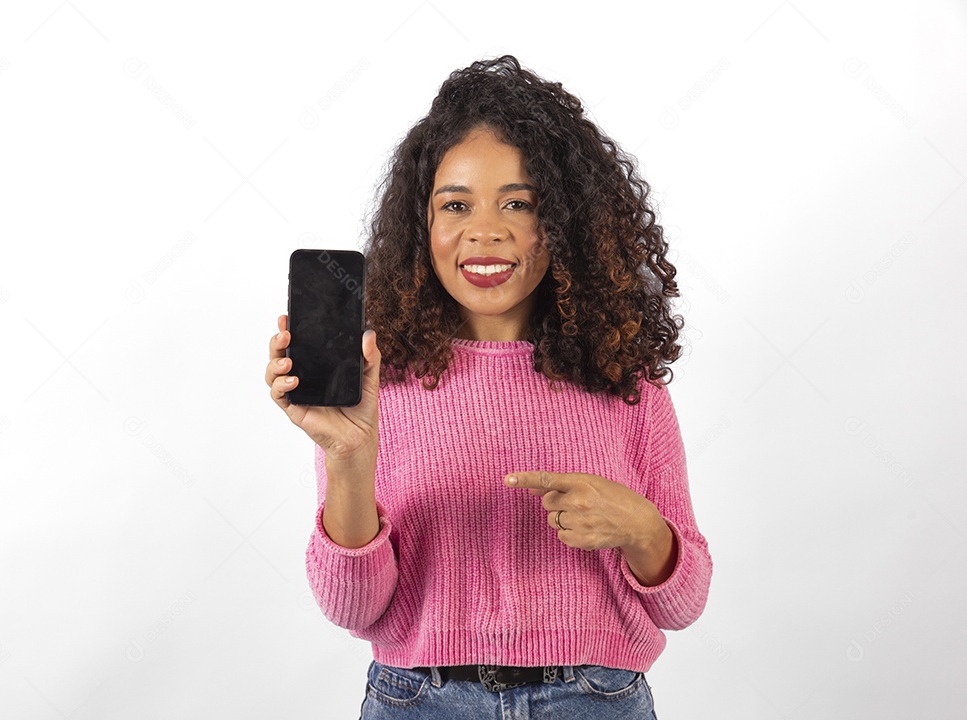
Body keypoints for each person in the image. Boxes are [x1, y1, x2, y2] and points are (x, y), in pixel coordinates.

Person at [265, 55, 712, 719]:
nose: (485, 231)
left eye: (518, 203)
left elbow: (684, 602)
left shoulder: (625, 380)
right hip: (418, 700)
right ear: (423, 226)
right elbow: (353, 609)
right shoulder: (375, 378)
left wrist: (643, 530)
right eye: (456, 204)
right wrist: (349, 458)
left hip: (594, 700)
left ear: (561, 222)